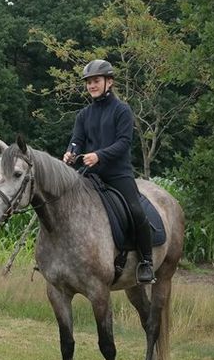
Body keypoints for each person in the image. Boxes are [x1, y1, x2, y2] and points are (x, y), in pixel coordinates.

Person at [62, 59, 155, 284]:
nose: (92, 86)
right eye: (89, 82)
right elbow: (77, 141)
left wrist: (99, 155)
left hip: (118, 174)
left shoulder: (122, 110)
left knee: (136, 210)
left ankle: (146, 262)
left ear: (109, 82)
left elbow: (123, 143)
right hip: (89, 175)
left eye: (96, 81)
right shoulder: (84, 114)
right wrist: (70, 153)